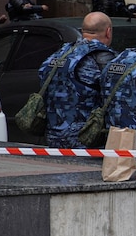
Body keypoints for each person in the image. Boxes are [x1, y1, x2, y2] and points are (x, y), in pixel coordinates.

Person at [39, 12, 115, 148]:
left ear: (83, 31)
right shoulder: (102, 57)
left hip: (52, 139)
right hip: (86, 141)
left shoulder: (61, 53)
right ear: (108, 32)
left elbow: (41, 77)